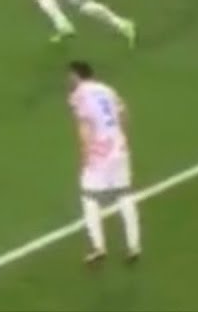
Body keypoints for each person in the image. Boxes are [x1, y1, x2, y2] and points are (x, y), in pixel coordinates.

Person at [67, 60, 141, 264]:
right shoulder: (108, 89)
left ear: (76, 76)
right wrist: (121, 138)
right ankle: (134, 245)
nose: (68, 81)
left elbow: (85, 125)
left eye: (70, 77)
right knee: (124, 194)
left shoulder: (78, 95)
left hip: (99, 151)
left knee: (89, 196)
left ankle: (98, 246)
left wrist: (85, 154)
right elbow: (125, 114)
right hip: (119, 147)